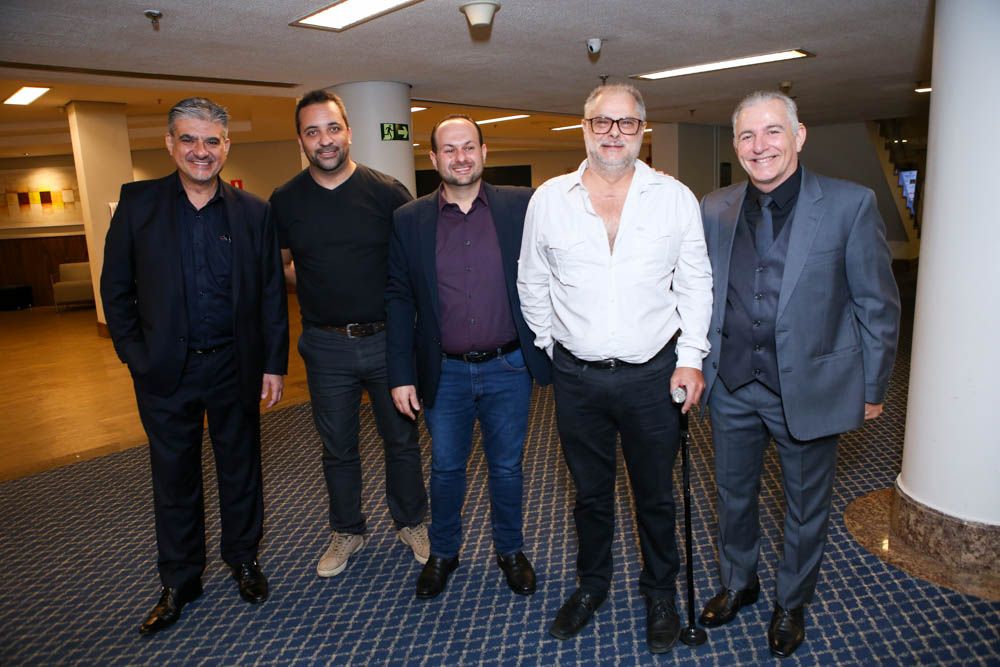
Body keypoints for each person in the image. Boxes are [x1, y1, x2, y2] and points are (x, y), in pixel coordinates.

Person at [698, 90, 900, 658]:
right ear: (736, 144)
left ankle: (792, 601)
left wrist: (873, 387)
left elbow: (877, 305)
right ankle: (739, 582)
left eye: (772, 132)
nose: (759, 146)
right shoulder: (714, 207)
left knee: (806, 505)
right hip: (732, 382)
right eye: (747, 135)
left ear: (798, 136)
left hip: (809, 387)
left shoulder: (850, 204)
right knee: (732, 495)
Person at [517, 83, 713, 654]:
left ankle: (661, 593)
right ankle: (592, 586)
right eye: (602, 122)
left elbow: (696, 283)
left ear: (641, 130)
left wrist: (691, 357)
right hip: (577, 378)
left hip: (653, 375)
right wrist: (551, 343)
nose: (613, 133)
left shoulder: (674, 198)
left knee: (655, 495)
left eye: (626, 123)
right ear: (585, 127)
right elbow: (531, 279)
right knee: (589, 494)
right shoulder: (549, 199)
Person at [101, 97, 288, 636]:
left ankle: (244, 559)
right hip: (166, 372)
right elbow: (116, 289)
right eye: (188, 139)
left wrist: (273, 364)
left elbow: (271, 294)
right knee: (174, 478)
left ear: (226, 146)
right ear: (170, 144)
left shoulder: (254, 212)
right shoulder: (138, 204)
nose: (200, 151)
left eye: (211, 140)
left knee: (241, 469)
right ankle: (181, 579)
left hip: (235, 366)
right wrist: (136, 356)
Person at [385, 115, 552, 599]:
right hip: (445, 371)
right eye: (449, 149)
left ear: (484, 151)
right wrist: (400, 374)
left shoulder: (523, 205)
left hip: (509, 367)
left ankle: (510, 551)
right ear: (433, 158)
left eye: (468, 147)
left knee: (507, 468)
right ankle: (444, 553)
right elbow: (399, 298)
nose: (460, 158)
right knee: (445, 469)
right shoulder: (409, 219)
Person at [268, 90, 428, 579]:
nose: (325, 140)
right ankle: (347, 530)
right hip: (325, 345)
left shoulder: (387, 192)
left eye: (332, 128)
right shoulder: (285, 200)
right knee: (337, 447)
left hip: (387, 342)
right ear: (301, 140)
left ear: (349, 132)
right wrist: (317, 281)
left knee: (401, 441)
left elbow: (414, 265)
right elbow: (280, 267)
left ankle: (412, 523)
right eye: (312, 131)